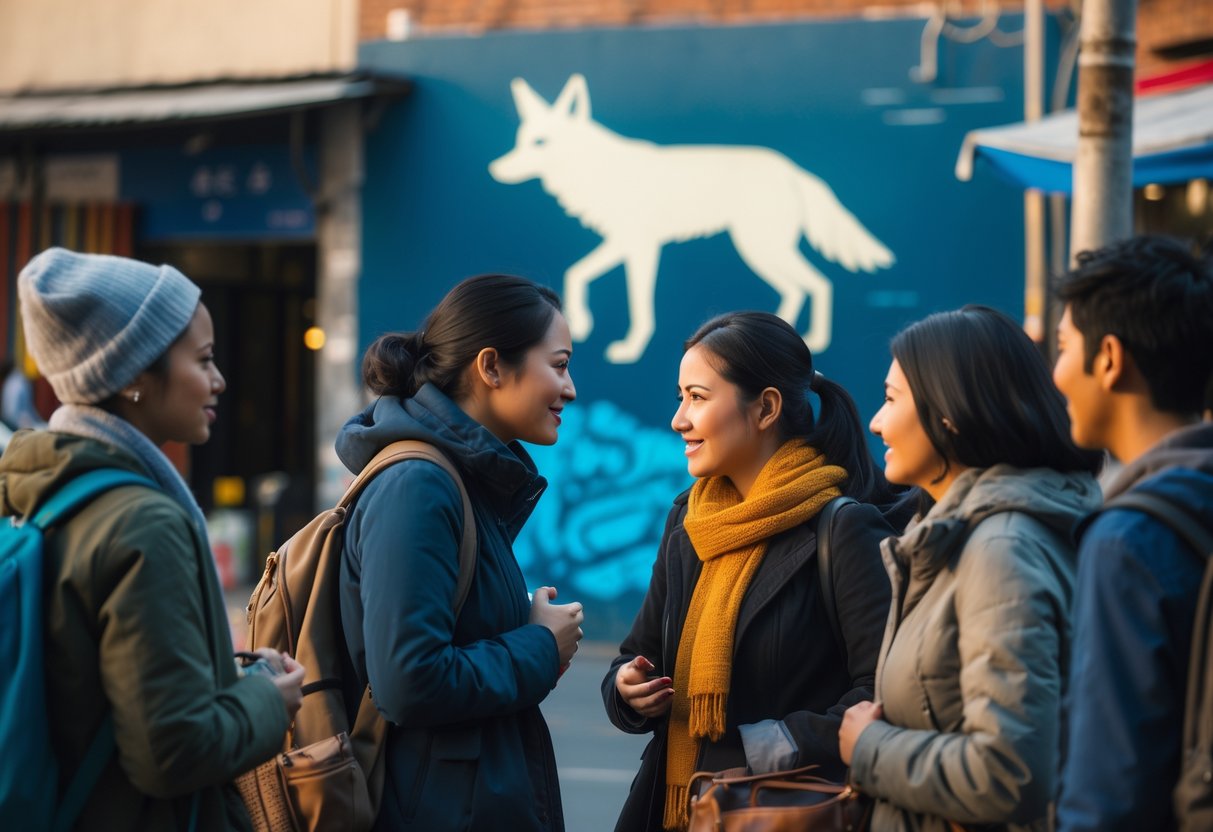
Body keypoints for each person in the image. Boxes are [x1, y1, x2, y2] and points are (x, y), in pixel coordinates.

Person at [1, 248, 304, 830]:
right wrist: (270, 699)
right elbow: (172, 750)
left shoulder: (36, 488)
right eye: (205, 359)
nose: (218, 381)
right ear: (136, 375)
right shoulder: (143, 522)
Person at [602, 311, 905, 832]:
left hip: (777, 811)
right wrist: (628, 690)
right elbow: (639, 652)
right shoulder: (690, 520)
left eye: (697, 398)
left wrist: (768, 746)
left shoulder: (843, 528)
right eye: (681, 398)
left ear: (765, 407)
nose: (679, 419)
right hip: (674, 807)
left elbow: (882, 691)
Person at [838, 305, 1103, 832]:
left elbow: (1008, 775)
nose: (875, 421)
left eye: (891, 400)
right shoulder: (949, 535)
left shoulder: (999, 551)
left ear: (950, 416)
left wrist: (870, 747)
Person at [335, 273, 584, 832]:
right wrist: (540, 644)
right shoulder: (420, 486)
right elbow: (410, 681)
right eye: (561, 364)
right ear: (492, 367)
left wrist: (513, 617)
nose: (570, 388)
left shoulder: (460, 481)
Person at [1052, 235, 1213, 831]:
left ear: (1110, 359)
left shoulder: (1126, 539)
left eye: (1064, 347)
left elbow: (1109, 789)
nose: (1056, 372)